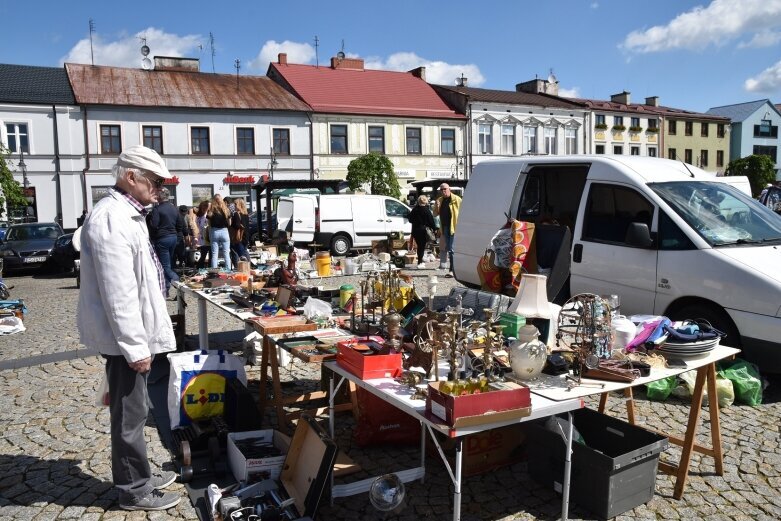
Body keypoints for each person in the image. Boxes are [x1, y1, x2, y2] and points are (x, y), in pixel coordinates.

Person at [77, 145, 181, 511]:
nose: (159, 190)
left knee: (134, 411)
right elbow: (118, 291)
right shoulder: (112, 218)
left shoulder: (126, 214)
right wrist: (136, 347)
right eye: (154, 182)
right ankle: (135, 490)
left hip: (129, 337)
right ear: (130, 177)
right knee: (130, 415)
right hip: (124, 341)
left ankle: (141, 477)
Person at [146, 188, 181, 297]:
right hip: (173, 237)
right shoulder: (174, 208)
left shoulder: (157, 209)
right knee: (168, 264)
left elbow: (154, 225)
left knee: (164, 265)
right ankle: (166, 289)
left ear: (160, 197)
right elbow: (179, 224)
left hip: (162, 238)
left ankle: (179, 283)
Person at [433, 183, 461, 277]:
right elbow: (435, 214)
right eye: (441, 190)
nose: (443, 191)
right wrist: (437, 206)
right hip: (445, 227)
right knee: (449, 248)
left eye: (445, 189)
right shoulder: (440, 200)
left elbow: (462, 212)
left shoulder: (456, 199)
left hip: (454, 227)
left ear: (449, 189)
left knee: (452, 249)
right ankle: (453, 269)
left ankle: (452, 270)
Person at [407, 194, 437, 268]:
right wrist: (435, 229)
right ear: (426, 201)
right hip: (423, 230)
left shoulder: (415, 209)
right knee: (422, 246)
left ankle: (420, 261)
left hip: (415, 230)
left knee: (419, 246)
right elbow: (431, 221)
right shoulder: (427, 210)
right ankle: (420, 262)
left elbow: (410, 219)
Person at [207, 194, 232, 271]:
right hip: (224, 231)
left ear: (213, 200)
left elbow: (209, 224)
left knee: (214, 254)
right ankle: (228, 271)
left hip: (214, 231)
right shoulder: (226, 209)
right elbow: (230, 223)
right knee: (226, 253)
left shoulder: (211, 210)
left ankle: (214, 272)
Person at [195, 201, 210, 269]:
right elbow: (200, 227)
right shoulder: (199, 217)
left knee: (210, 254)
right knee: (204, 254)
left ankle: (209, 268)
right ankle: (200, 268)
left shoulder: (207, 215)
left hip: (207, 237)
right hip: (204, 238)